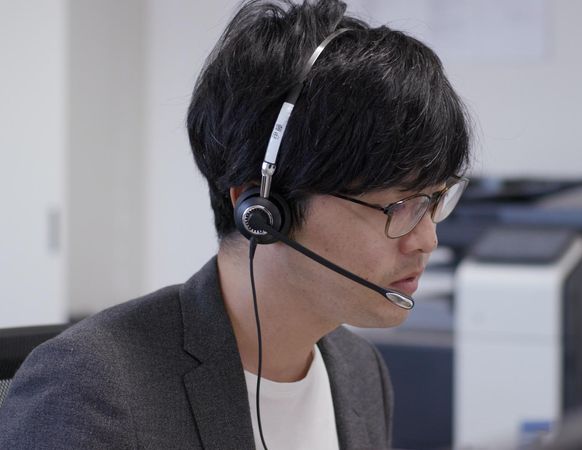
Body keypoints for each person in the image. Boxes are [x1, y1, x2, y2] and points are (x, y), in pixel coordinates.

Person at [0, 0, 471, 448]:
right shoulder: (91, 390)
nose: (427, 240)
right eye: (399, 206)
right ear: (262, 209)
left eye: (434, 201)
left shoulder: (360, 369)